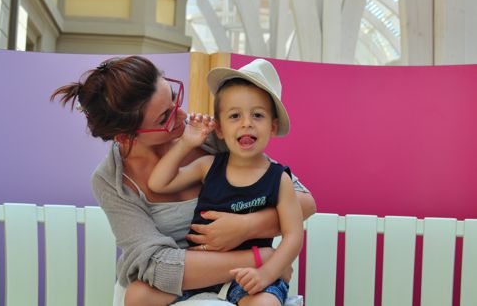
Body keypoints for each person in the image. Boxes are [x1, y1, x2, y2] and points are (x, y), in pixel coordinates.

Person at [50, 55, 316, 306]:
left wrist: (246, 226)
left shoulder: (210, 134)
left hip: (239, 277)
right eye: (164, 117)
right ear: (124, 136)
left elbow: (304, 202)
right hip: (174, 285)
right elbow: (155, 265)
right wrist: (260, 257)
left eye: (174, 98)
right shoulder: (112, 180)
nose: (181, 115)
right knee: (136, 296)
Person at [148, 58, 303, 305]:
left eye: (257, 115)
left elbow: (293, 236)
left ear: (272, 127)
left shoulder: (279, 179)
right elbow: (158, 184)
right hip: (203, 272)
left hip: (249, 278)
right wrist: (187, 143)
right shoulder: (208, 166)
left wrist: (266, 274)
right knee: (137, 294)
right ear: (219, 129)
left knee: (266, 303)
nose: (246, 123)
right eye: (234, 116)